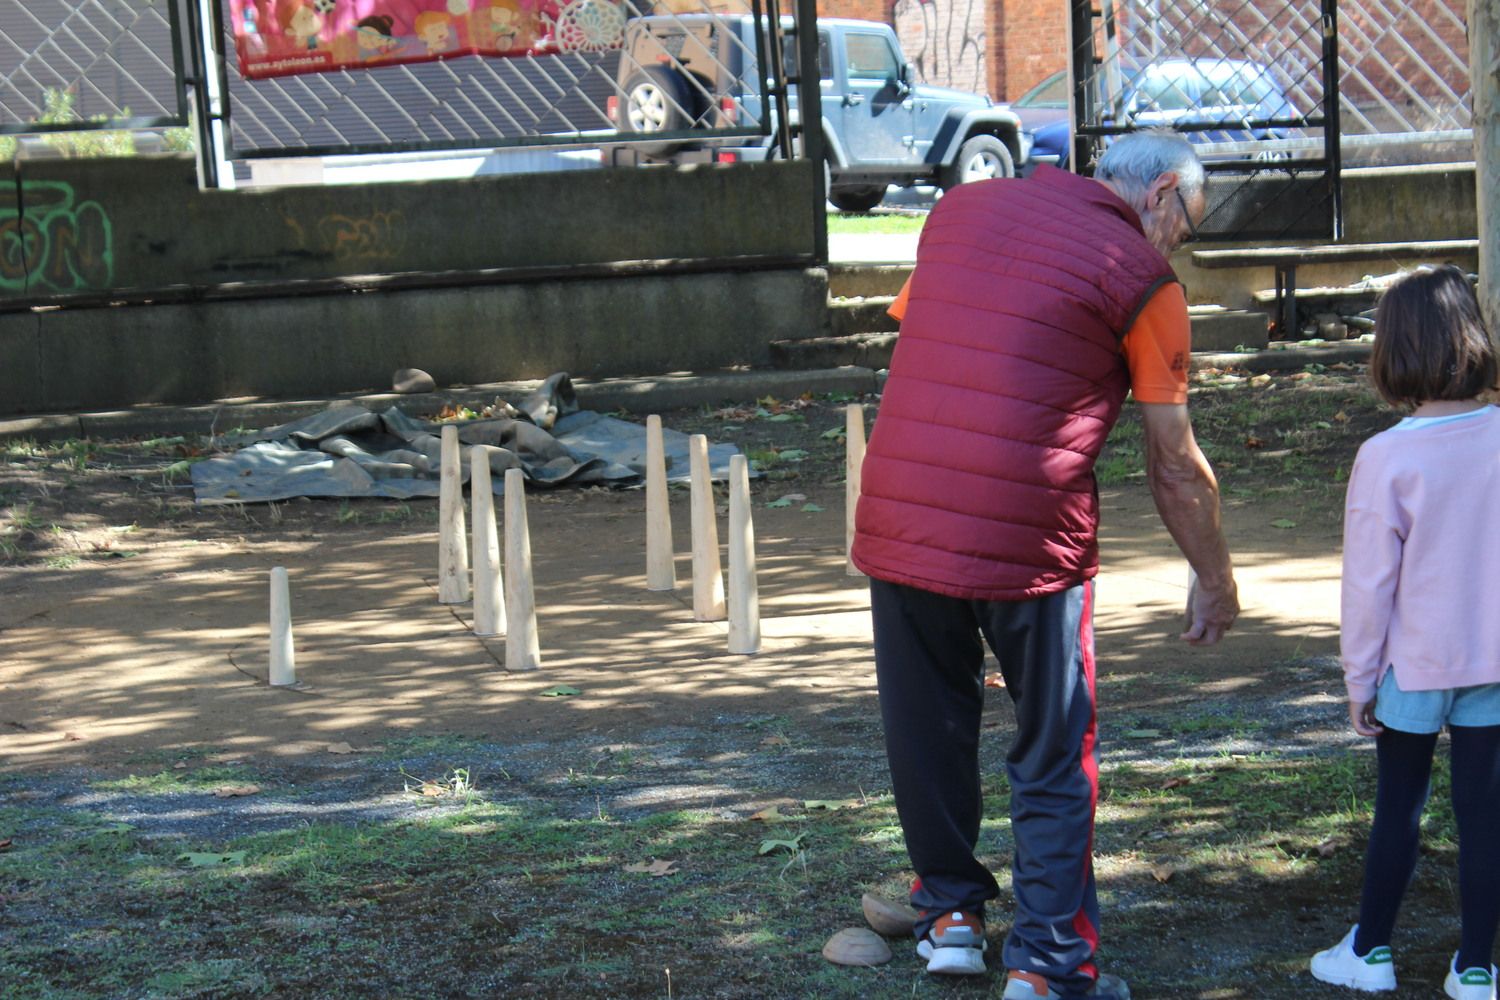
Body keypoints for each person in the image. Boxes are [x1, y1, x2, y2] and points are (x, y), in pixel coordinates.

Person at [850, 130, 1239, 1000]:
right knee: (1056, 750)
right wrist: (1215, 577)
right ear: (1162, 192)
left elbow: (935, 334)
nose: (1181, 243)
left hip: (902, 511)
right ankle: (1049, 965)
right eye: (1189, 224)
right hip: (1030, 534)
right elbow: (1173, 462)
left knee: (928, 726)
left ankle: (949, 917)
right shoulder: (1145, 279)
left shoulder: (960, 211)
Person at [1308, 265, 1500, 1000]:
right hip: (1492, 662)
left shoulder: (1387, 456)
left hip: (1412, 668)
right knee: (1485, 815)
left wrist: (1360, 681)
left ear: (1393, 351)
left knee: (1401, 807)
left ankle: (1371, 950)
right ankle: (1477, 965)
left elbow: (1369, 587)